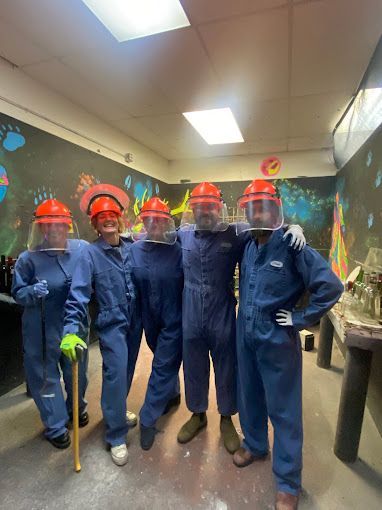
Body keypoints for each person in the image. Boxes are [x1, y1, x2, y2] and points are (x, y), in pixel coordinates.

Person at [233, 179, 343, 510]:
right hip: (246, 335)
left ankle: (288, 482)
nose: (257, 214)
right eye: (252, 209)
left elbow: (331, 287)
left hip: (276, 339)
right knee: (249, 395)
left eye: (263, 207)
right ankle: (254, 444)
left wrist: (299, 319)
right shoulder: (249, 246)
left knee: (284, 411)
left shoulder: (294, 246)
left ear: (275, 209)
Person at [177, 182, 306, 454]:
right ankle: (198, 414)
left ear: (219, 208)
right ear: (193, 210)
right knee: (193, 366)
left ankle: (226, 418)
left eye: (211, 207)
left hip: (221, 309)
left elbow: (266, 230)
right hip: (189, 311)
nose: (206, 212)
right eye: (200, 207)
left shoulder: (235, 233)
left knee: (227, 366)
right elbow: (153, 239)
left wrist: (292, 228)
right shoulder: (183, 235)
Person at [60, 194, 142, 466]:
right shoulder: (89, 254)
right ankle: (116, 435)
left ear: (120, 219)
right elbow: (78, 294)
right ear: (95, 224)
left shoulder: (132, 246)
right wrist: (71, 329)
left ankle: (115, 412)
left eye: (112, 216)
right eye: (101, 218)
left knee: (127, 371)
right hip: (112, 322)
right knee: (115, 374)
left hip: (135, 320)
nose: (108, 220)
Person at [12, 199, 89, 449]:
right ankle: (55, 425)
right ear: (40, 229)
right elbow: (17, 293)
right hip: (40, 328)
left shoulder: (82, 250)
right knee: (45, 378)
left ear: (68, 226)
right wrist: (31, 291)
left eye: (59, 224)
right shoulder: (28, 259)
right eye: (47, 225)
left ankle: (75, 408)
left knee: (77, 373)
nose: (54, 229)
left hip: (74, 323)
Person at [130, 197, 183, 450]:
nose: (153, 225)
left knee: (163, 364)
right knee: (160, 357)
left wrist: (289, 228)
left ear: (166, 222)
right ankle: (172, 394)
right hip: (148, 317)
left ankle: (148, 418)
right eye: (148, 220)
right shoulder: (134, 249)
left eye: (158, 220)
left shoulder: (179, 246)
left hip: (174, 316)